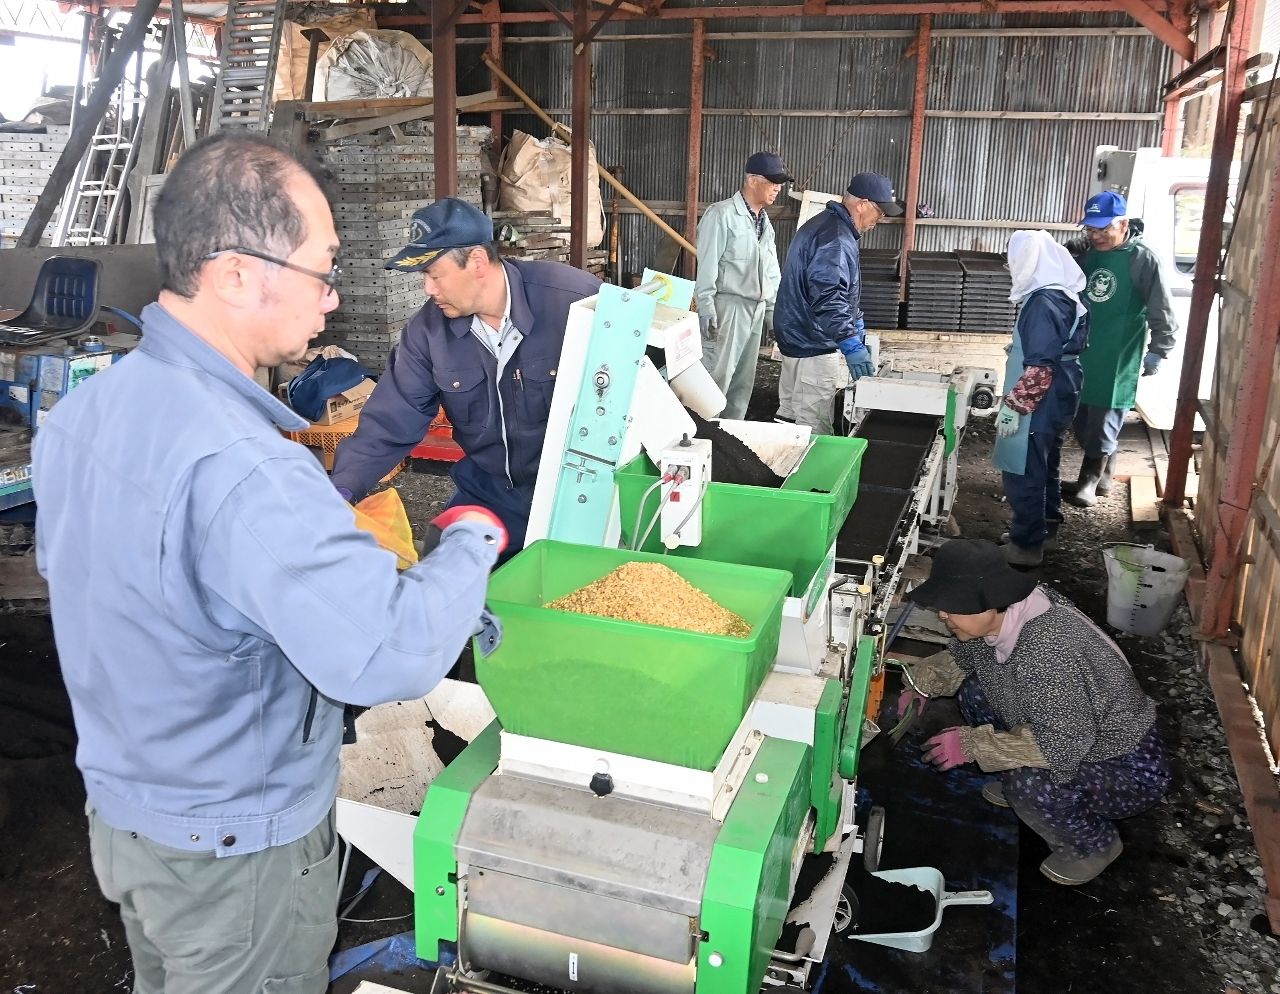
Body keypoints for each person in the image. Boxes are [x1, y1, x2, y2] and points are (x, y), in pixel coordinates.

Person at [32, 132, 506, 994]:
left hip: (128, 819)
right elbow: (389, 649)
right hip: (235, 858)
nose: (332, 298)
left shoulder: (83, 416)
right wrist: (473, 538)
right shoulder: (245, 466)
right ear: (236, 275)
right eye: (323, 270)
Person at [331, 197, 601, 561]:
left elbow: (645, 385)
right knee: (444, 574)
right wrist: (341, 492)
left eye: (434, 274)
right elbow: (390, 421)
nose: (428, 289)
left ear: (476, 262)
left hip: (578, 492)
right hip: (493, 493)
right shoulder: (427, 334)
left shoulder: (574, 301)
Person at [900, 540, 1171, 886]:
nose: (942, 615)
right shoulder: (1009, 615)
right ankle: (1022, 779)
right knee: (976, 692)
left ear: (990, 604)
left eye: (952, 607)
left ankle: (1092, 846)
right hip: (1070, 728)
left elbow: (1062, 745)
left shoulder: (1046, 651)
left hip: (1124, 765)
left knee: (1028, 783)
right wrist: (922, 684)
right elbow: (964, 657)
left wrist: (974, 745)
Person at [1069, 191, 1177, 507]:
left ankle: (1088, 480)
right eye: (1091, 229)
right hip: (1083, 347)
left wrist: (1159, 349)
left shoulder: (1143, 258)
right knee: (1081, 416)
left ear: (1124, 224)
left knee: (1105, 415)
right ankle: (1104, 479)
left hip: (1118, 351)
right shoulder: (1088, 253)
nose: (1096, 236)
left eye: (1104, 228)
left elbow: (1162, 307)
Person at [773, 171, 904, 434]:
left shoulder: (824, 225)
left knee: (790, 419)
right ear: (862, 204)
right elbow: (829, 296)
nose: (879, 220)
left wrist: (856, 320)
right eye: (879, 212)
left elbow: (831, 288)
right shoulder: (836, 240)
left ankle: (781, 460)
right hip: (814, 344)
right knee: (813, 426)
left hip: (797, 337)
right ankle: (813, 462)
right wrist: (850, 342)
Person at [993, 231, 1089, 567]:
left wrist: (1014, 407)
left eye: (1014, 261)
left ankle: (1025, 545)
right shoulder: (1066, 293)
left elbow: (1040, 368)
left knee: (1025, 465)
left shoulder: (1043, 303)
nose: (1011, 267)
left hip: (1042, 396)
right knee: (1047, 460)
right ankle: (1046, 527)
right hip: (1065, 386)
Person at [694, 151, 788, 419]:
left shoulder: (764, 223)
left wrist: (774, 316)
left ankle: (730, 436)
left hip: (755, 310)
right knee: (716, 379)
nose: (778, 189)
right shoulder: (721, 215)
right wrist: (706, 306)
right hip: (727, 309)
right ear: (752, 180)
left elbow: (771, 273)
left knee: (742, 385)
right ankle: (702, 433)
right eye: (773, 182)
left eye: (779, 184)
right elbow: (707, 265)